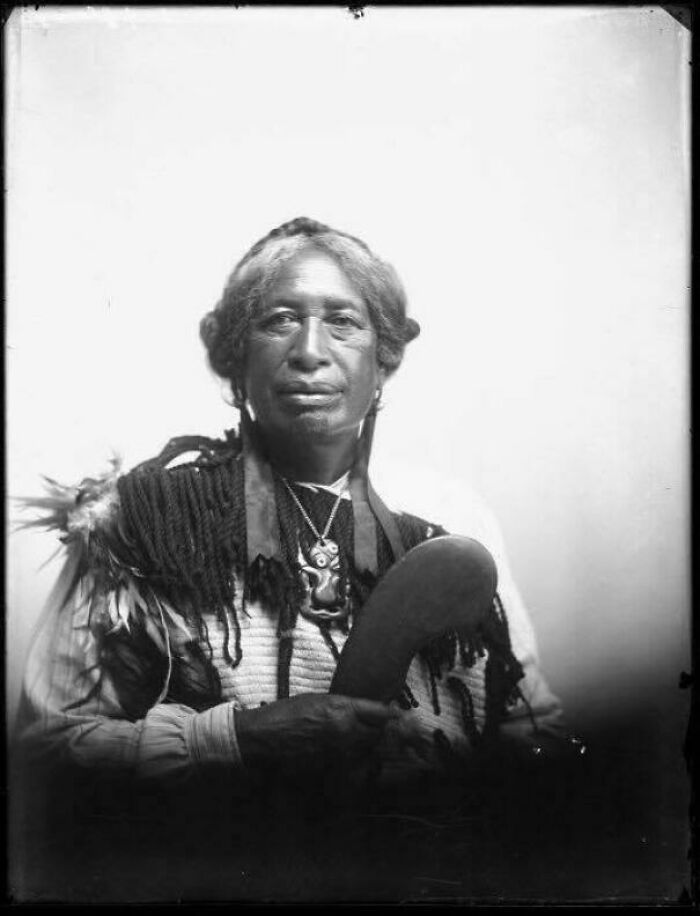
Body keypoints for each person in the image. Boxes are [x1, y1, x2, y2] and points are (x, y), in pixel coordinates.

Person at [13, 217, 572, 902]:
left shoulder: (453, 516)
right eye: (279, 321)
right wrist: (235, 740)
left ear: (386, 356)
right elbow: (45, 752)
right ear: (232, 354)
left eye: (344, 322)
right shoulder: (142, 522)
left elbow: (530, 731)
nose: (310, 351)